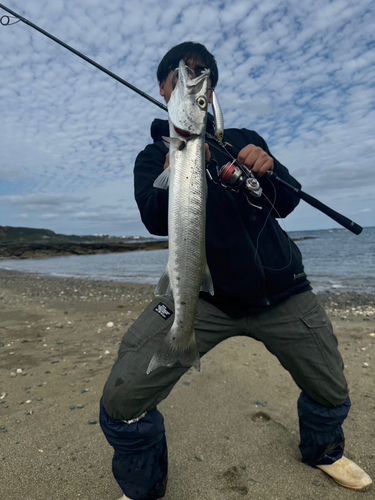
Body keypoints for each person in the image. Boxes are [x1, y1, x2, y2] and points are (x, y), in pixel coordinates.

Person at [100, 42, 372, 500]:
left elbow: (286, 201)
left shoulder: (245, 137)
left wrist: (266, 168)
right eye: (184, 74)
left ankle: (324, 451)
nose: (195, 79)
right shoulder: (153, 157)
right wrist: (176, 169)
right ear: (165, 89)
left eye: (204, 77)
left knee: (330, 387)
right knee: (121, 401)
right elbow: (152, 218)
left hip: (282, 291)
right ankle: (143, 487)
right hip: (201, 297)